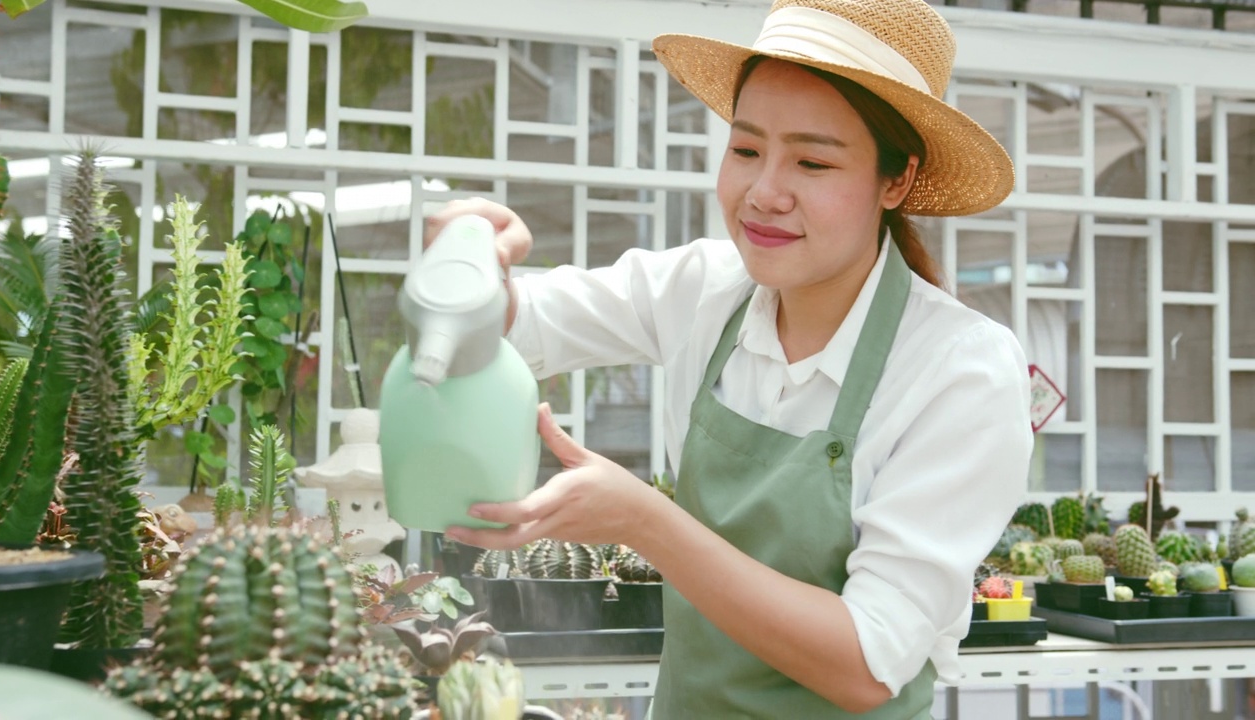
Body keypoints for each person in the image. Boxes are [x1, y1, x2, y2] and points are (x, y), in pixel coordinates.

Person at [431, 0, 1033, 716]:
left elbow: (866, 664)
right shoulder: (701, 292)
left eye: (811, 161)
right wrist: (470, 261)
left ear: (895, 180)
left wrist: (645, 522)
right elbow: (504, 327)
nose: (764, 193)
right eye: (746, 149)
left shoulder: (961, 371)